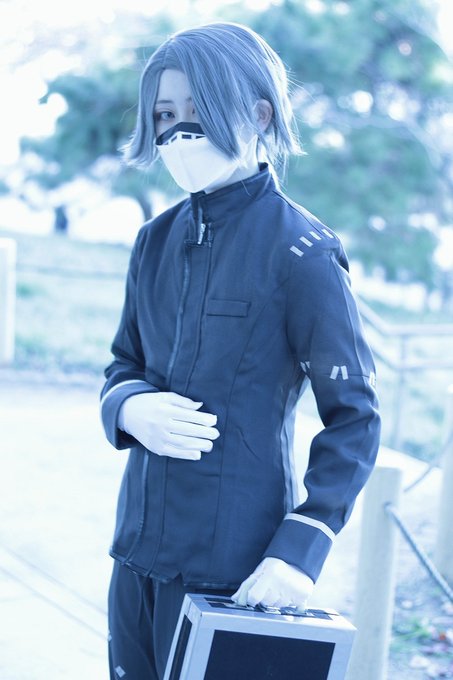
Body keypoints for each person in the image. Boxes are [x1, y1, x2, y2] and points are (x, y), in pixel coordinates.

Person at [100, 21, 381, 680]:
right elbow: (123, 362)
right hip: (134, 555)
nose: (178, 134)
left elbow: (355, 417)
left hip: (235, 572)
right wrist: (128, 407)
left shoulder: (302, 253)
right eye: (164, 116)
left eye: (196, 112)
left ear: (258, 115)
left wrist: (299, 552)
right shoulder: (153, 240)